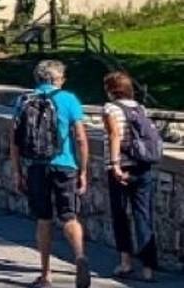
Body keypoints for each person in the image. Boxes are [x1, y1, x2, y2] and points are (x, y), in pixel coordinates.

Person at [10, 59, 91, 288]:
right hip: (65, 165)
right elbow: (81, 139)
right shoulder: (69, 100)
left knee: (43, 219)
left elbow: (14, 140)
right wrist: (83, 170)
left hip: (36, 165)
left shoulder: (24, 100)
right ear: (58, 79)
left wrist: (17, 171)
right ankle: (79, 256)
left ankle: (46, 275)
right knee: (69, 216)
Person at [102, 71, 160, 282]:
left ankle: (126, 262)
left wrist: (115, 164)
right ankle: (148, 268)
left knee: (120, 215)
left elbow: (114, 135)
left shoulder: (110, 108)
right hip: (142, 166)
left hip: (121, 167)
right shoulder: (139, 108)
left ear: (111, 89)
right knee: (143, 216)